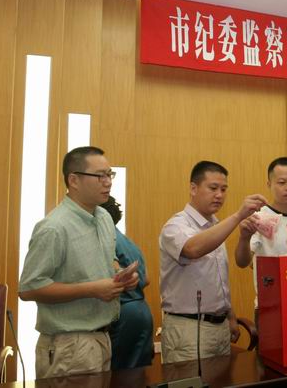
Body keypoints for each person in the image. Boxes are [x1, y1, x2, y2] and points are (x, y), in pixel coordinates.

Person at [19, 146, 139, 378]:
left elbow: (108, 260)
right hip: (68, 344)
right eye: (100, 176)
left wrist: (122, 276)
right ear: (73, 180)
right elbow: (28, 288)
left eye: (110, 174)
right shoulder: (54, 227)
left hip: (103, 336)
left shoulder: (103, 217)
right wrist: (92, 289)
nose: (108, 182)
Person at [159, 161, 267, 363]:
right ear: (193, 188)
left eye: (224, 189)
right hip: (189, 328)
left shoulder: (215, 226)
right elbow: (192, 249)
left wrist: (230, 316)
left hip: (220, 326)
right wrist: (238, 215)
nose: (219, 195)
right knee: (191, 379)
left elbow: (216, 280)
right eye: (213, 188)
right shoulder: (176, 225)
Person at [235, 157, 287, 327]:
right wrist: (244, 238)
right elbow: (242, 262)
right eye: (282, 182)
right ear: (269, 184)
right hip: (270, 307)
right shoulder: (258, 217)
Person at [100, 196, 153, 370]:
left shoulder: (106, 239)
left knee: (119, 376)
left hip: (123, 313)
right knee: (138, 373)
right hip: (141, 311)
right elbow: (146, 279)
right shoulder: (128, 242)